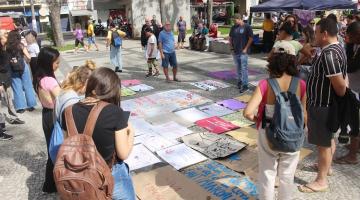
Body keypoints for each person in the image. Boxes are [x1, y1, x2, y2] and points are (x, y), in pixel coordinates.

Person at [244, 41, 307, 200]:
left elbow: (247, 112)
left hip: (268, 131)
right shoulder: (301, 85)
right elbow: (305, 115)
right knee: (287, 175)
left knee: (267, 172)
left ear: (273, 60)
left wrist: (259, 119)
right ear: (293, 60)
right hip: (294, 132)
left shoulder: (265, 84)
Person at [61, 67, 135, 200]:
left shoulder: (67, 112)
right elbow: (123, 154)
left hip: (78, 174)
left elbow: (67, 145)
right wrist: (131, 134)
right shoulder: (115, 112)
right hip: (109, 173)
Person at [298, 18, 347, 193]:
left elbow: (340, 86)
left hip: (323, 105)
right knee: (328, 139)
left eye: (317, 33)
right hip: (326, 105)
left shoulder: (329, 54)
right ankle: (325, 167)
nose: (315, 36)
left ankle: (321, 180)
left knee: (323, 144)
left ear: (325, 34)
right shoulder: (336, 49)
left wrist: (340, 100)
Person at [32, 47, 61, 193]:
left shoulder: (39, 77)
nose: (58, 65)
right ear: (48, 63)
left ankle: (50, 184)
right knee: (56, 150)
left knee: (52, 150)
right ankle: (51, 184)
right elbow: (61, 99)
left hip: (46, 115)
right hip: (53, 115)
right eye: (56, 63)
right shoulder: (49, 80)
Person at [334, 21, 360, 165]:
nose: (348, 39)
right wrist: (349, 45)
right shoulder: (355, 44)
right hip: (355, 88)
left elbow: (351, 66)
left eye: (350, 37)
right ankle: (356, 146)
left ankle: (352, 156)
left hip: (357, 91)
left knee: (354, 122)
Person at [6, 30, 37, 113]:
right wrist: (26, 62)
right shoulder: (21, 45)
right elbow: (29, 57)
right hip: (23, 66)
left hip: (12, 68)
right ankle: (31, 105)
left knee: (17, 87)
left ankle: (20, 107)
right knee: (28, 86)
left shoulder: (7, 47)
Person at [229, 13, 254, 93]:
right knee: (238, 67)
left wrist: (246, 48)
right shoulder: (233, 27)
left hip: (243, 51)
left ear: (240, 19)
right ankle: (240, 81)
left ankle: (245, 85)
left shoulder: (247, 27)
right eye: (233, 20)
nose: (234, 22)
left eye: (235, 20)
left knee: (244, 68)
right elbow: (230, 38)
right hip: (235, 51)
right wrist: (231, 47)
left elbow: (251, 38)